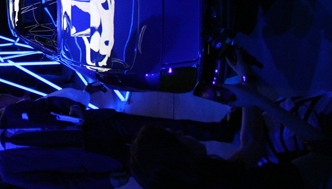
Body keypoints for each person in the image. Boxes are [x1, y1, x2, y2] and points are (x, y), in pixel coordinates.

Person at [129, 48, 332, 189]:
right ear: (179, 158)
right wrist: (260, 101)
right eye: (176, 136)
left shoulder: (207, 178)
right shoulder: (255, 184)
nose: (182, 132)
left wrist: (246, 80)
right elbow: (325, 152)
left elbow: (250, 148)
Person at [0, 92, 241, 189]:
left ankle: (220, 132)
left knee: (162, 127)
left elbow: (51, 103)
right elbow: (59, 184)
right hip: (94, 161)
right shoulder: (9, 171)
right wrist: (103, 182)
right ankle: (212, 173)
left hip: (97, 125)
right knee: (160, 159)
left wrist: (73, 108)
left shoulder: (12, 113)